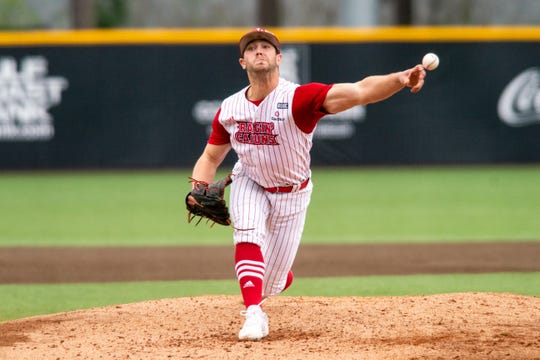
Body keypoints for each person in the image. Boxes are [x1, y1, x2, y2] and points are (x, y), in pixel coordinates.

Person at [189, 28, 426, 341]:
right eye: (252, 49)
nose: (259, 51)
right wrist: (198, 187)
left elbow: (359, 91)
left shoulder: (299, 98)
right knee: (247, 233)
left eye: (266, 47)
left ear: (279, 58)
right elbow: (210, 155)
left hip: (292, 194)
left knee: (270, 283)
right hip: (250, 181)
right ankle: (254, 314)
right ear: (242, 61)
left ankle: (273, 280)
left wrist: (399, 78)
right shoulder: (230, 108)